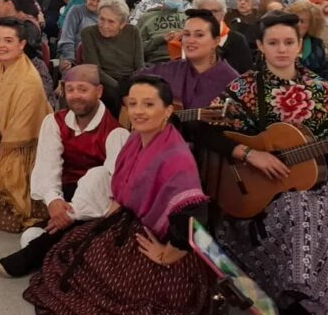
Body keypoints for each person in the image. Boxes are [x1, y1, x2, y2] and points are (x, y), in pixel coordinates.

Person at [192, 12, 328, 313]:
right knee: (299, 210)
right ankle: (297, 297)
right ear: (260, 45)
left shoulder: (321, 89)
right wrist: (249, 153)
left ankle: (322, 298)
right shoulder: (245, 87)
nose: (281, 49)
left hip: (316, 180)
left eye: (288, 42)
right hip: (255, 186)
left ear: (300, 45)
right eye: (273, 42)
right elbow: (204, 129)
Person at [23, 76, 213, 314]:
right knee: (69, 257)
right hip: (130, 222)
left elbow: (194, 216)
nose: (138, 111)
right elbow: (123, 184)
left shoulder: (175, 157)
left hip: (157, 238)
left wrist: (167, 254)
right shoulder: (136, 139)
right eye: (133, 104)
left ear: (168, 110)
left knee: (118, 293)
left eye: (149, 104)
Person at [0, 64, 128, 277]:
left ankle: (35, 253)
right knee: (30, 235)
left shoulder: (116, 132)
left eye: (83, 89)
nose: (76, 96)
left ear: (99, 91)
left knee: (97, 176)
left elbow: (112, 182)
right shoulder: (54, 121)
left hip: (97, 203)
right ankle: (53, 246)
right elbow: (48, 166)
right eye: (70, 89)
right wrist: (54, 201)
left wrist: (73, 212)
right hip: (65, 193)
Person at [0, 18, 54, 232]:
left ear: (22, 44)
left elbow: (20, 135)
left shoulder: (29, 81)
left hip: (21, 149)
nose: (1, 45)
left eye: (8, 40)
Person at [146, 9, 240, 110]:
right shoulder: (168, 70)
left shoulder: (232, 82)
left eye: (199, 35)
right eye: (186, 34)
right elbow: (132, 82)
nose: (190, 40)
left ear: (216, 41)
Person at [80, 0, 143, 116]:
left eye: (111, 21)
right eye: (102, 19)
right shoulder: (88, 33)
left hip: (129, 79)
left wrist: (135, 86)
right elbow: (95, 70)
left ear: (122, 24)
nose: (105, 25)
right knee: (111, 95)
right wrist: (121, 89)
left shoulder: (133, 32)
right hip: (104, 80)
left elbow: (140, 66)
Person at [189, 0, 255, 74]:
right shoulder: (188, 39)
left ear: (223, 13)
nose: (210, 15)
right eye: (205, 12)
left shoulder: (237, 40)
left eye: (215, 11)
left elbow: (247, 74)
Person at [56, 0, 109, 69]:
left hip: (96, 59)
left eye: (99, 1)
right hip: (71, 54)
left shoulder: (106, 16)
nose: (95, 3)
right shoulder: (76, 11)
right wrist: (69, 59)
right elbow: (66, 38)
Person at [137, 0, 190, 64]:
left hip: (185, 62)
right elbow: (136, 49)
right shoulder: (147, 17)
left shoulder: (189, 17)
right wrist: (160, 39)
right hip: (156, 62)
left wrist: (183, 36)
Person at [286, 0, 328, 81]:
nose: (297, 24)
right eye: (294, 20)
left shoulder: (316, 44)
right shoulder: (279, 43)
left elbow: (325, 74)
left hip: (313, 90)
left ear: (311, 25)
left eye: (302, 21)